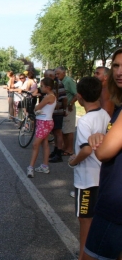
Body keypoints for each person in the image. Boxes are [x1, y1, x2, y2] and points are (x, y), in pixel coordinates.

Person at [85, 48, 122, 260]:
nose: (119, 71)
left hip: (115, 203)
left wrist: (101, 142)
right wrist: (102, 135)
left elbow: (104, 153)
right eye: (116, 65)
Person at [67, 77, 110, 260]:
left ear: (79, 96)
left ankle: (83, 256)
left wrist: (73, 161)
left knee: (85, 221)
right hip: (102, 176)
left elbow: (85, 149)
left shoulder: (85, 121)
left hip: (86, 180)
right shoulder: (105, 115)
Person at [27, 77, 56, 178]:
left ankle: (31, 167)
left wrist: (37, 105)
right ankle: (45, 165)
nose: (41, 88)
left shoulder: (49, 97)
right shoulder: (49, 95)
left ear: (47, 87)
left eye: (42, 86)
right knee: (45, 144)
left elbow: (37, 107)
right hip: (44, 121)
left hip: (44, 122)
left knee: (35, 145)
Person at [56, 66, 78, 157]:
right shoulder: (60, 81)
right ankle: (65, 147)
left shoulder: (68, 81)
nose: (57, 75)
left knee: (69, 129)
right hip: (63, 108)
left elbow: (76, 94)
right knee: (64, 129)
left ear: (64, 73)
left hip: (69, 108)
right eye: (56, 74)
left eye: (58, 74)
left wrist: (70, 104)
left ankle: (70, 149)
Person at [49, 72, 68, 163]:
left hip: (57, 111)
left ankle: (59, 153)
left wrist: (64, 109)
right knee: (55, 132)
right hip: (51, 112)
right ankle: (56, 150)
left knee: (58, 132)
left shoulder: (58, 84)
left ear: (51, 76)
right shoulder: (51, 84)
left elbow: (64, 98)